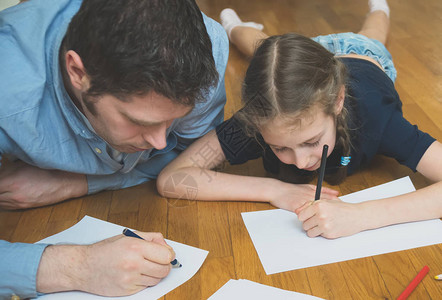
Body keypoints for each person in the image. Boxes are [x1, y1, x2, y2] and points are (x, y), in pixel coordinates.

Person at [157, 0, 442, 239]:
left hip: (361, 54)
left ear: (338, 101)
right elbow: (172, 179)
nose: (303, 162)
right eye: (280, 147)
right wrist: (273, 189)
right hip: (305, 65)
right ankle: (234, 27)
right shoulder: (257, 119)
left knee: (374, 32)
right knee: (263, 50)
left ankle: (379, 6)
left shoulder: (377, 114)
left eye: (312, 141)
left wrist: (361, 216)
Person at [0, 0, 228, 297]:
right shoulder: (7, 81)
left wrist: (80, 182)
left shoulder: (209, 48)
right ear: (77, 72)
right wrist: (76, 267)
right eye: (137, 121)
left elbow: (191, 157)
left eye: (174, 119)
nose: (161, 141)